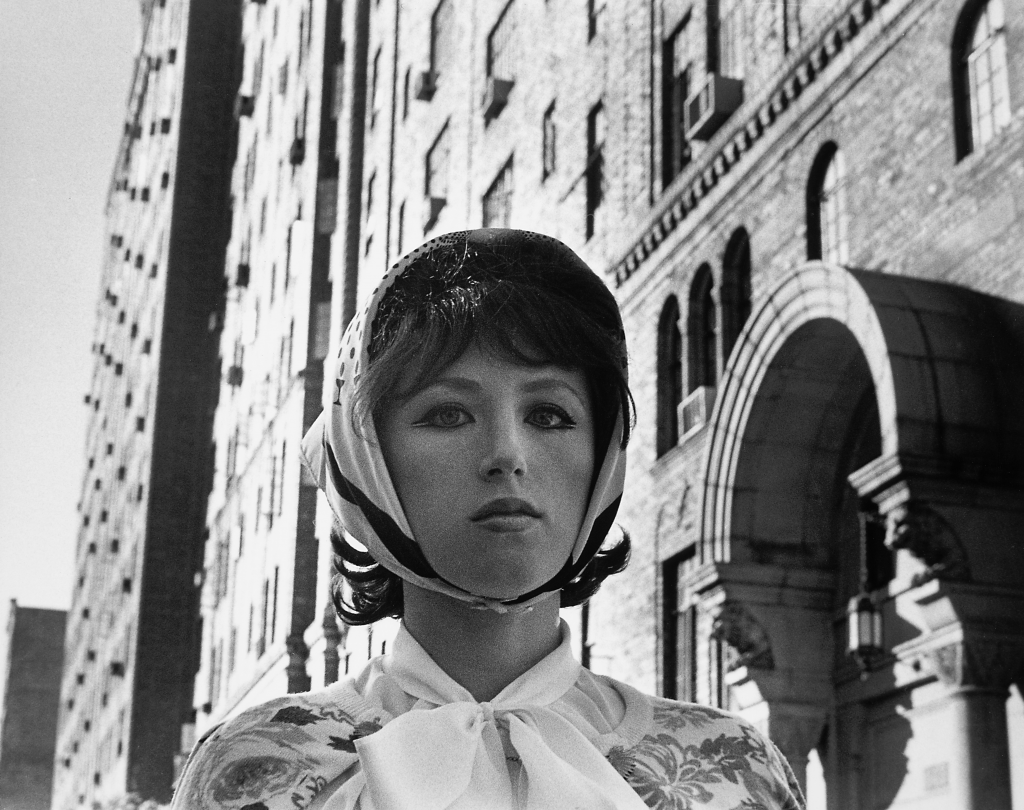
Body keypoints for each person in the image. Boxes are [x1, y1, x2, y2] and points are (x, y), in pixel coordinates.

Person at [171, 229, 804, 809]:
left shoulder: (735, 768)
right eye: (447, 414)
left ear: (603, 454)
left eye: (550, 414)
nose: (507, 454)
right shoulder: (250, 767)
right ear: (369, 459)